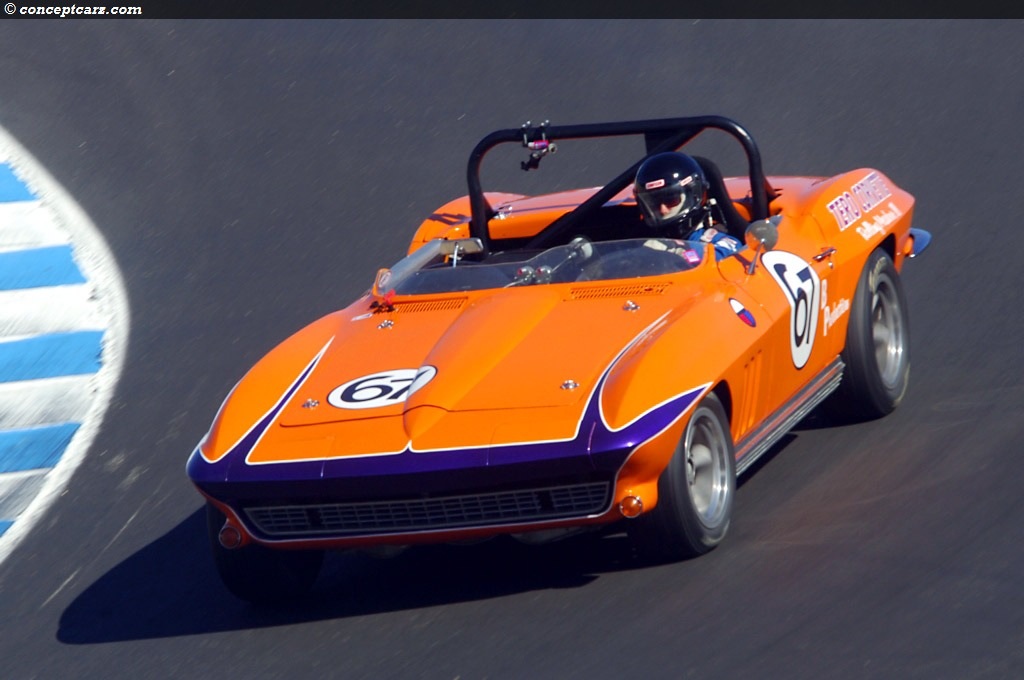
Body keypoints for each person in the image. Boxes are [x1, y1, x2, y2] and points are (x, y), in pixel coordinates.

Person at [633, 152, 743, 260]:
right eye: (654, 202)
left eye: (670, 199)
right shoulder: (643, 245)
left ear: (692, 196)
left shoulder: (719, 241)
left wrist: (679, 255)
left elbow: (723, 255)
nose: (663, 209)